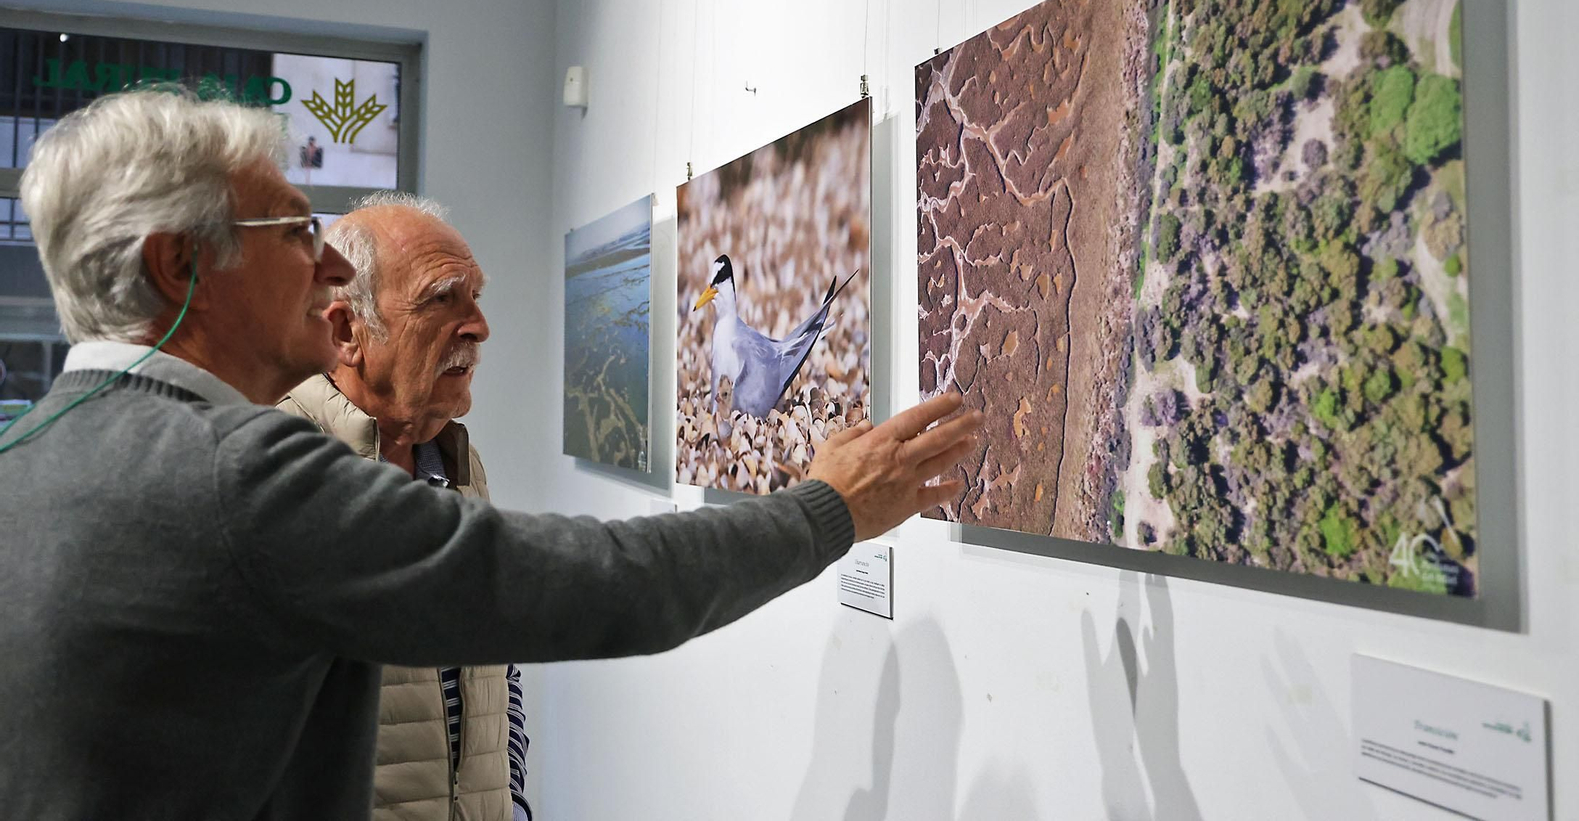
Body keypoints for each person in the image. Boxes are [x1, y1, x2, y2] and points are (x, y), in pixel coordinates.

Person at [0, 87, 980, 821]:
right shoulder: (240, 475)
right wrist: (827, 505)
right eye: (296, 230)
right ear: (180, 263)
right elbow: (601, 584)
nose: (328, 266)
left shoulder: (26, 455)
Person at [278, 193, 529, 821]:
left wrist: (512, 799)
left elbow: (498, 664)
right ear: (346, 331)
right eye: (442, 298)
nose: (478, 326)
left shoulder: (458, 461)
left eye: (475, 297)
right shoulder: (277, 463)